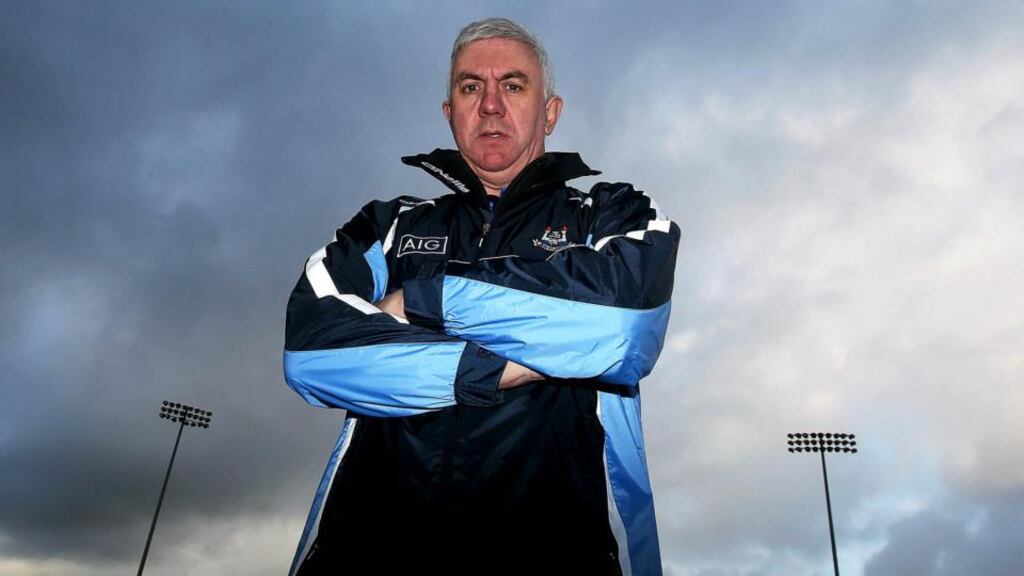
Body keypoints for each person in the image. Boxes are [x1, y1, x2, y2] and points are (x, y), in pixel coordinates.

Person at [283, 17, 679, 576]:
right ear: (450, 112)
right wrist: (509, 365)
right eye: (471, 87)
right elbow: (312, 352)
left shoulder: (610, 214)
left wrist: (424, 300)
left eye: (513, 85)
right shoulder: (387, 225)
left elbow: (624, 324)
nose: (490, 105)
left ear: (550, 112)